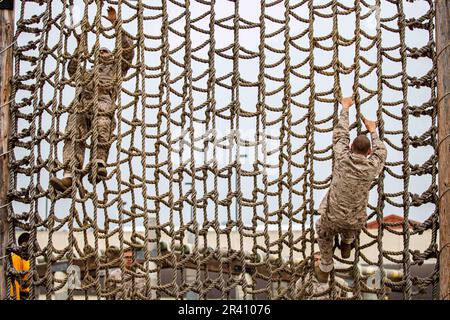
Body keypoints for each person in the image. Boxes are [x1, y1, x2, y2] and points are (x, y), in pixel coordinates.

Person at [50, 5, 135, 193]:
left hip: (102, 102)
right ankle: (69, 176)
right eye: (100, 52)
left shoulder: (116, 68)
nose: (102, 53)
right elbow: (72, 70)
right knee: (73, 135)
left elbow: (128, 50)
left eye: (105, 51)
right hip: (81, 105)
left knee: (102, 123)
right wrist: (79, 48)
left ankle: (98, 162)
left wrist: (115, 24)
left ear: (111, 55)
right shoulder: (87, 73)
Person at [315, 96, 387, 283]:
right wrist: (373, 130)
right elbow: (381, 151)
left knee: (321, 228)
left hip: (333, 219)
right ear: (368, 153)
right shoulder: (372, 167)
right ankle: (347, 242)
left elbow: (340, 135)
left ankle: (325, 265)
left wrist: (345, 108)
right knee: (351, 218)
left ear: (349, 148)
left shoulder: (342, 158)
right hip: (356, 222)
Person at [10, 232, 31, 300]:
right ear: (25, 244)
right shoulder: (17, 257)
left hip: (30, 294)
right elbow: (14, 280)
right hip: (21, 296)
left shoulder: (29, 258)